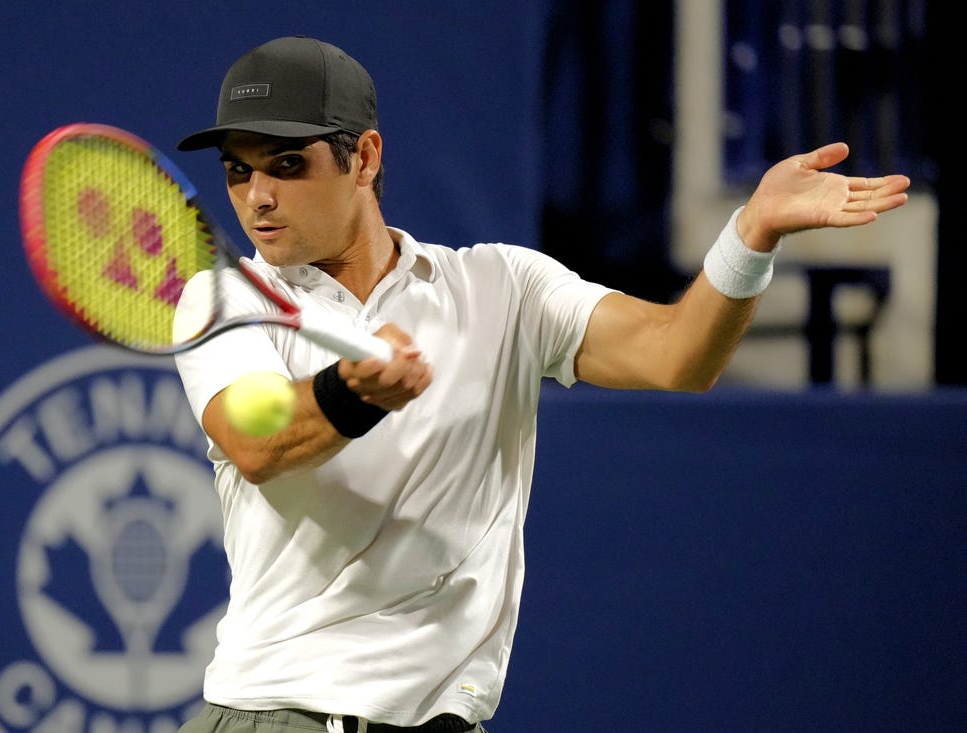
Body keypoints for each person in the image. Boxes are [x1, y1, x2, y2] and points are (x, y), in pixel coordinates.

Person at [171, 35, 910, 733]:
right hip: (281, 714)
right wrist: (353, 392)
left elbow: (677, 356)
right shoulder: (223, 301)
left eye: (285, 164)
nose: (257, 195)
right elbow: (256, 440)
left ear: (363, 158)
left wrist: (750, 234)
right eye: (239, 170)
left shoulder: (505, 287)